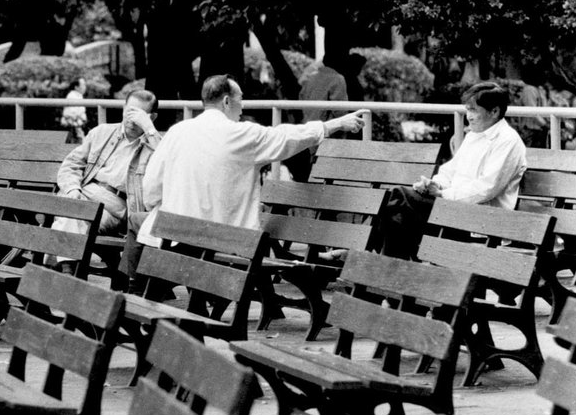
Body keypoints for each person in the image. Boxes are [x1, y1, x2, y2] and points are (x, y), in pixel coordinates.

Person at [138, 74, 367, 240]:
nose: (243, 106)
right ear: (227, 101)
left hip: (173, 237)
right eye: (241, 99)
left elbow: (150, 186)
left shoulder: (177, 131)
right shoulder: (242, 133)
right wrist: (335, 124)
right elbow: (288, 136)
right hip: (226, 239)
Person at [379, 80, 528, 259]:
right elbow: (450, 171)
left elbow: (487, 188)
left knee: (398, 197)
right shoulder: (475, 135)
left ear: (494, 111)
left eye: (474, 110)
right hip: (455, 210)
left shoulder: (508, 141)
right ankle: (391, 267)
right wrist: (435, 184)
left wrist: (444, 195)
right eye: (468, 110)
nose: (468, 116)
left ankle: (385, 266)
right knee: (396, 206)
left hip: (482, 220)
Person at [54, 89, 160, 265]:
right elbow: (71, 164)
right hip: (83, 194)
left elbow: (168, 162)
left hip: (116, 207)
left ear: (152, 117)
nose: (131, 120)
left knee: (72, 216)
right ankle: (68, 271)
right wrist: (73, 188)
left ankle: (66, 272)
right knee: (72, 212)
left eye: (138, 115)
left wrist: (149, 129)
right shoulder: (102, 132)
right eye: (129, 112)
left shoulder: (153, 147)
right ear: (123, 108)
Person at [299, 53, 349, 123]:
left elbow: (301, 97)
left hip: (307, 126)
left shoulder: (311, 77)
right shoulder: (338, 79)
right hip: (325, 129)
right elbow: (340, 111)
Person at [61, 76, 88, 144]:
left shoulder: (79, 96)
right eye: (83, 85)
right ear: (76, 87)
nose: (85, 87)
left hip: (77, 126)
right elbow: (70, 114)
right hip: (73, 127)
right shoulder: (72, 96)